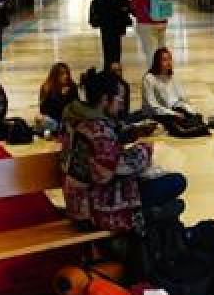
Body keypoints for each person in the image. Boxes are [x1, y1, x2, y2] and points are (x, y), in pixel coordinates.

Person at [61, 68, 186, 232]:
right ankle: (148, 217)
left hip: (79, 199)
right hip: (94, 208)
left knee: (171, 202)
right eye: (119, 100)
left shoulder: (75, 118)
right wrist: (145, 150)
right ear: (105, 99)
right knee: (177, 182)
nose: (121, 106)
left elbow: (99, 151)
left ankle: (156, 215)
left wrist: (131, 134)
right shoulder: (96, 130)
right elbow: (111, 169)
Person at [141, 48, 209, 138]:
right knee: (177, 127)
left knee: (194, 117)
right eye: (165, 60)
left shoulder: (171, 76)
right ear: (157, 62)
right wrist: (173, 113)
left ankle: (197, 128)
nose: (168, 62)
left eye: (170, 59)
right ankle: (196, 130)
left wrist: (191, 111)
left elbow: (181, 99)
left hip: (173, 110)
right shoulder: (149, 78)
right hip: (157, 113)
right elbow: (153, 106)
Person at [93, 0, 131, 69]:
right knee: (112, 48)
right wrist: (124, 4)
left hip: (108, 24)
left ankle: (111, 66)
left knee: (110, 47)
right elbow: (112, 4)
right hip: (110, 24)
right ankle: (112, 67)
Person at [38, 62, 79, 136]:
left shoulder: (72, 87)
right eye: (62, 74)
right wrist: (61, 96)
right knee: (40, 119)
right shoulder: (47, 88)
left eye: (67, 73)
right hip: (53, 120)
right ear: (55, 76)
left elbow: (75, 107)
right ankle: (57, 130)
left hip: (67, 120)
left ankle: (56, 131)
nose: (65, 76)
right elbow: (43, 110)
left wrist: (65, 97)